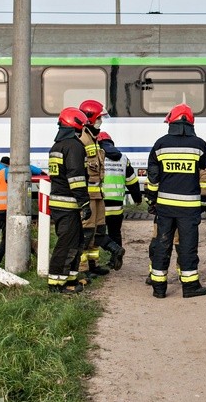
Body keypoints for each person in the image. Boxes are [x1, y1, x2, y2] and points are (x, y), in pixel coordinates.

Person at [145, 103, 206, 299]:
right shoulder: (199, 145)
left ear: (171, 122)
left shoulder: (160, 144)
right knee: (187, 246)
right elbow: (205, 169)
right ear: (191, 122)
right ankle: (190, 287)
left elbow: (153, 176)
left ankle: (159, 288)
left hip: (165, 207)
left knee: (162, 244)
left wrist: (152, 199)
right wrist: (204, 199)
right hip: (189, 208)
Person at [78, 100, 126, 283]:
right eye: (98, 118)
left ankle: (93, 265)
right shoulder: (82, 139)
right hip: (88, 194)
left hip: (98, 193)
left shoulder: (95, 139)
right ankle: (83, 268)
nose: (101, 121)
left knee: (98, 230)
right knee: (86, 231)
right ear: (90, 118)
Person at [47, 107, 91, 294]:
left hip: (59, 202)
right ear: (77, 126)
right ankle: (56, 284)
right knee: (66, 244)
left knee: (75, 241)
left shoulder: (57, 146)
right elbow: (76, 178)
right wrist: (85, 202)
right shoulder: (74, 146)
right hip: (69, 203)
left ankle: (70, 278)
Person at [0, 156, 43, 266]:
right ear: (9, 165)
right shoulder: (6, 172)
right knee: (7, 237)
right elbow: (27, 167)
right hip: (4, 210)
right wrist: (41, 172)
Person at [97, 130, 142, 248]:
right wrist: (137, 198)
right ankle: (116, 259)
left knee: (97, 233)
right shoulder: (123, 158)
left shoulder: (96, 157)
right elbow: (132, 181)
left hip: (100, 202)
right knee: (115, 232)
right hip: (117, 205)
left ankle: (108, 252)